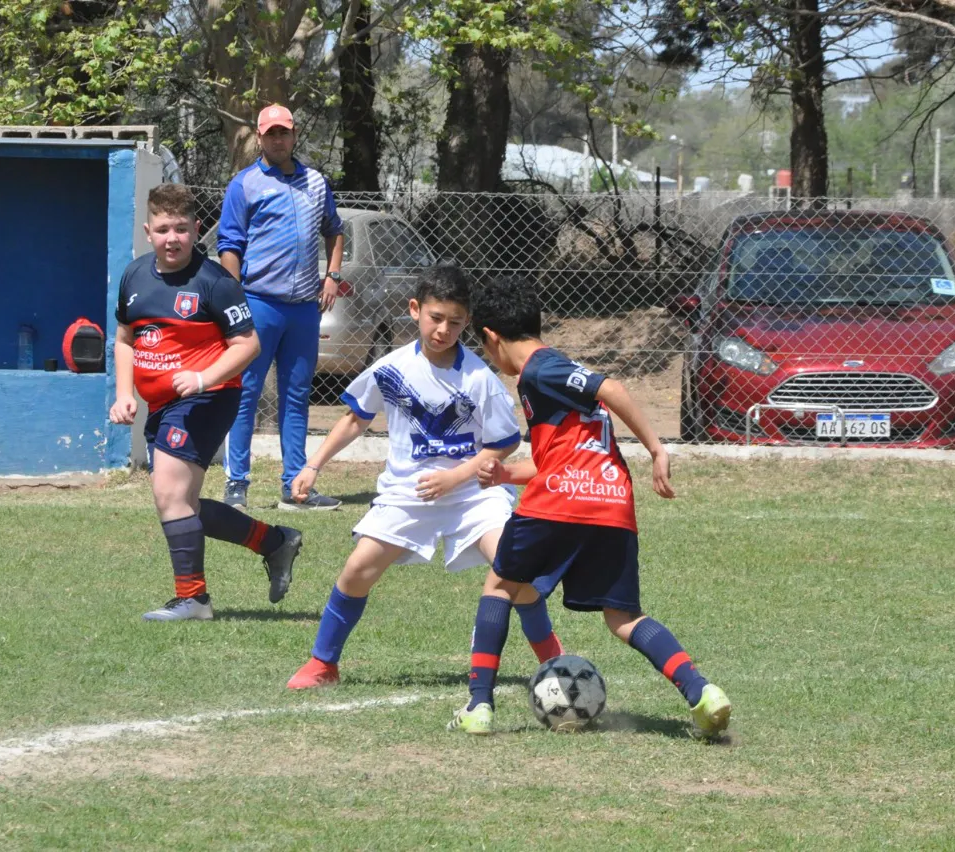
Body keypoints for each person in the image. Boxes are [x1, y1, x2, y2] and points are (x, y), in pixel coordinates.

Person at [447, 275, 731, 737]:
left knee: (499, 586)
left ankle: (479, 707)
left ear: (492, 338)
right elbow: (556, 460)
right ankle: (702, 693)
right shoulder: (549, 381)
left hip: (561, 501)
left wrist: (657, 448)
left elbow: (611, 387)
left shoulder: (541, 369)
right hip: (610, 501)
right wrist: (503, 474)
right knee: (623, 617)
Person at [285, 266, 564, 688]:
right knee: (358, 569)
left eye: (454, 321)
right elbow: (354, 419)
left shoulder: (478, 378)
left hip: (474, 494)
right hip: (409, 493)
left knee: (513, 570)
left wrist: (457, 477)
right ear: (415, 310)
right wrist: (312, 464)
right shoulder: (392, 369)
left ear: (467, 321)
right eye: (435, 318)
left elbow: (504, 441)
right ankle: (323, 664)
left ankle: (555, 662)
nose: (443, 330)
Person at [110, 184, 303, 622]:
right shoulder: (134, 276)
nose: (172, 238)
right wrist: (125, 393)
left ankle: (193, 599)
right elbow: (124, 340)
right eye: (163, 229)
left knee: (169, 493)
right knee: (186, 505)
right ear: (148, 231)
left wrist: (203, 378)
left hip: (210, 398)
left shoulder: (215, 282)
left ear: (197, 229)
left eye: (181, 228)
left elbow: (247, 344)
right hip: (162, 404)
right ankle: (275, 542)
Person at [217, 103, 345, 511]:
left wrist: (333, 276)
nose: (277, 139)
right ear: (259, 136)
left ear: (294, 134)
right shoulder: (244, 184)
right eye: (270, 133)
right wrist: (234, 296)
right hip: (258, 302)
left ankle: (295, 486)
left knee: (296, 395)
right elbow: (229, 246)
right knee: (245, 393)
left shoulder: (317, 183)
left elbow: (334, 231)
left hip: (304, 307)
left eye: (283, 132)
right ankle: (237, 482)